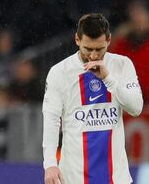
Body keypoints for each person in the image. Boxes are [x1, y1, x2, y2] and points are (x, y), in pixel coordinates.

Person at [42, 13, 143, 184]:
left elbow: (136, 108)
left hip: (116, 178)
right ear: (77, 40)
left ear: (109, 40)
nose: (94, 56)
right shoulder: (59, 72)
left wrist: (108, 79)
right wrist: (50, 164)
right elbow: (51, 119)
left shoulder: (122, 64)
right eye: (88, 49)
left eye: (100, 49)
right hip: (74, 177)